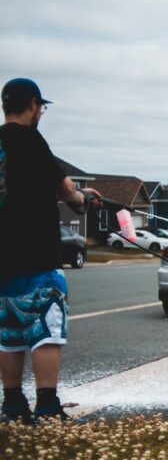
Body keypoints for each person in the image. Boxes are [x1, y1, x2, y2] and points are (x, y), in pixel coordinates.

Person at [0, 78, 99, 423]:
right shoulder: (31, 140)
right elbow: (66, 189)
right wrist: (84, 200)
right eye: (40, 107)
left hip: (3, 260)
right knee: (45, 330)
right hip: (37, 253)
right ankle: (46, 405)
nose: (40, 113)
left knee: (9, 333)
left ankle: (12, 404)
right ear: (31, 104)